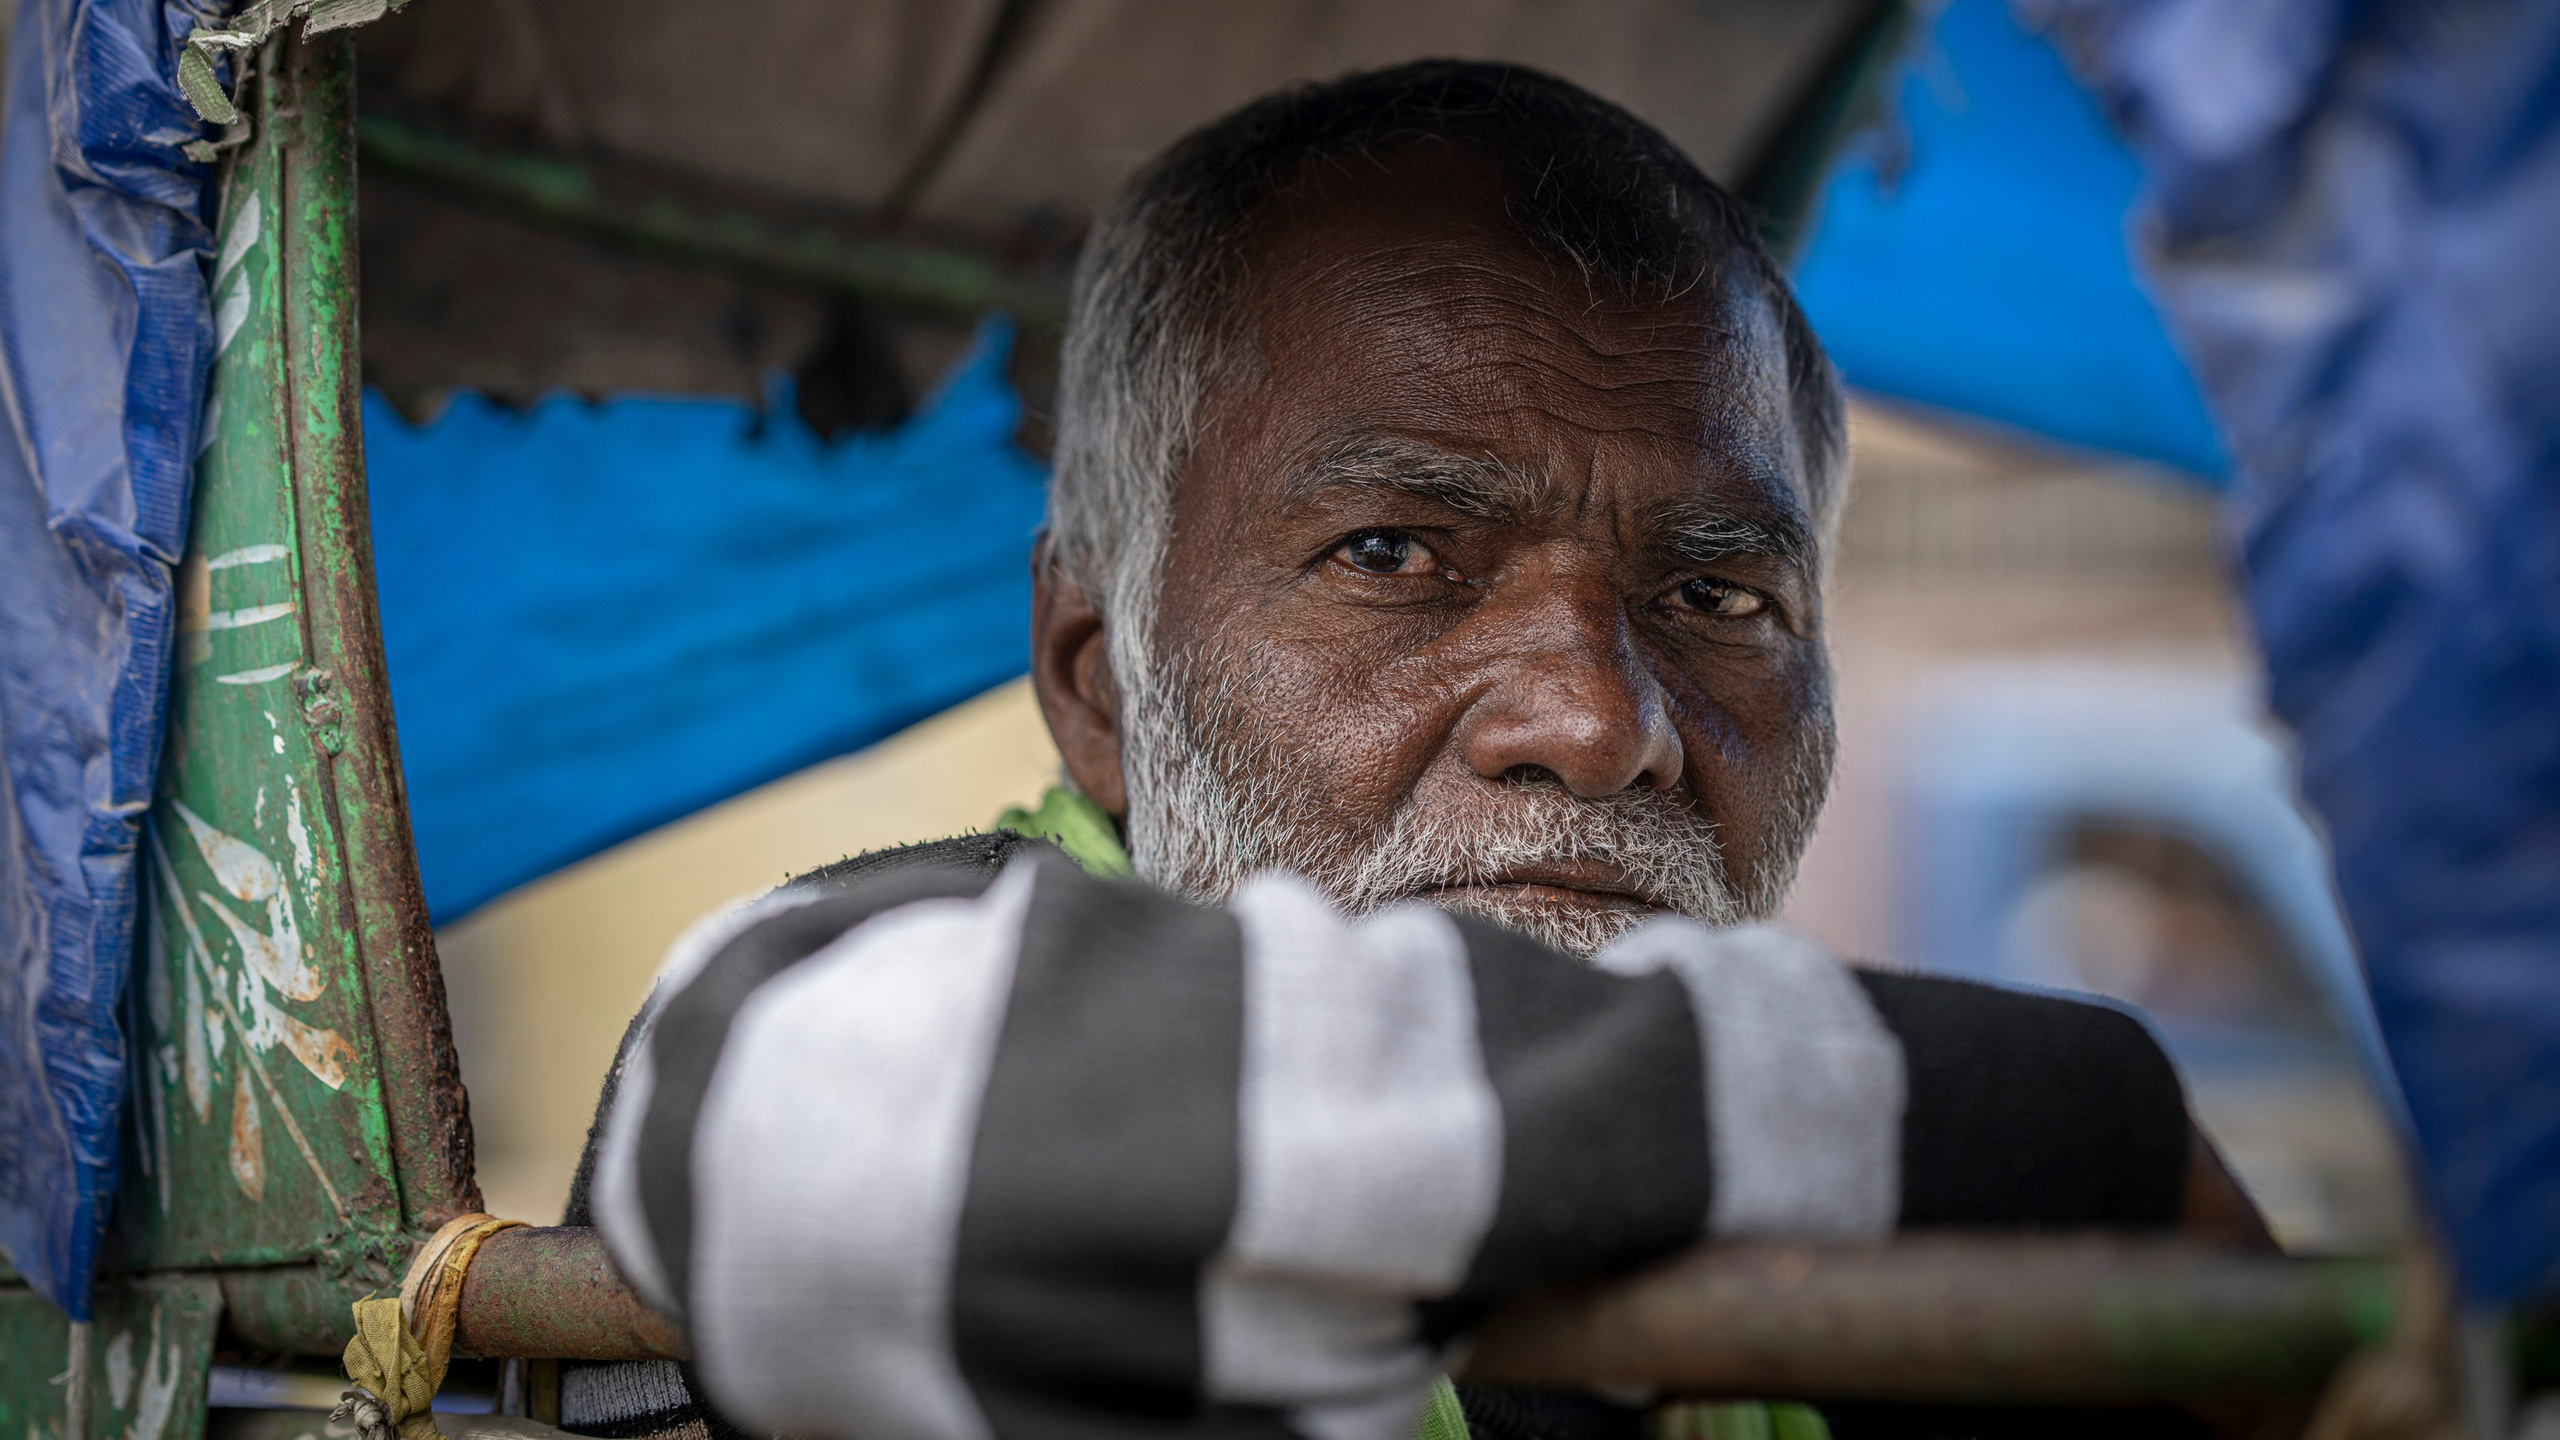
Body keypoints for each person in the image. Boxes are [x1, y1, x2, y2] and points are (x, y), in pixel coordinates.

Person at [556, 60, 2263, 1440]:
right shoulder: (911, 994)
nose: (1599, 723)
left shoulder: (1885, 1302)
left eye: (1717, 594)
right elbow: (800, 1113)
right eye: (1393, 556)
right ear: (1099, 684)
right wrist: (2076, 1123)